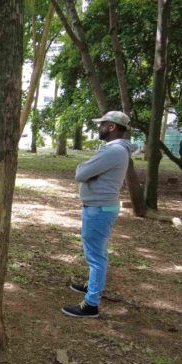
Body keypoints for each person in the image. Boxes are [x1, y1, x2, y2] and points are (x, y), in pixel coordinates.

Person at [61, 111, 137, 318]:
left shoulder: (113, 151)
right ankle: (91, 287)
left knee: (96, 257)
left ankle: (91, 305)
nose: (99, 127)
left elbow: (80, 174)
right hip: (101, 208)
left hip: (99, 210)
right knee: (97, 253)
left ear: (112, 127)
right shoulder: (117, 150)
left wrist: (83, 166)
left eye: (102, 124)